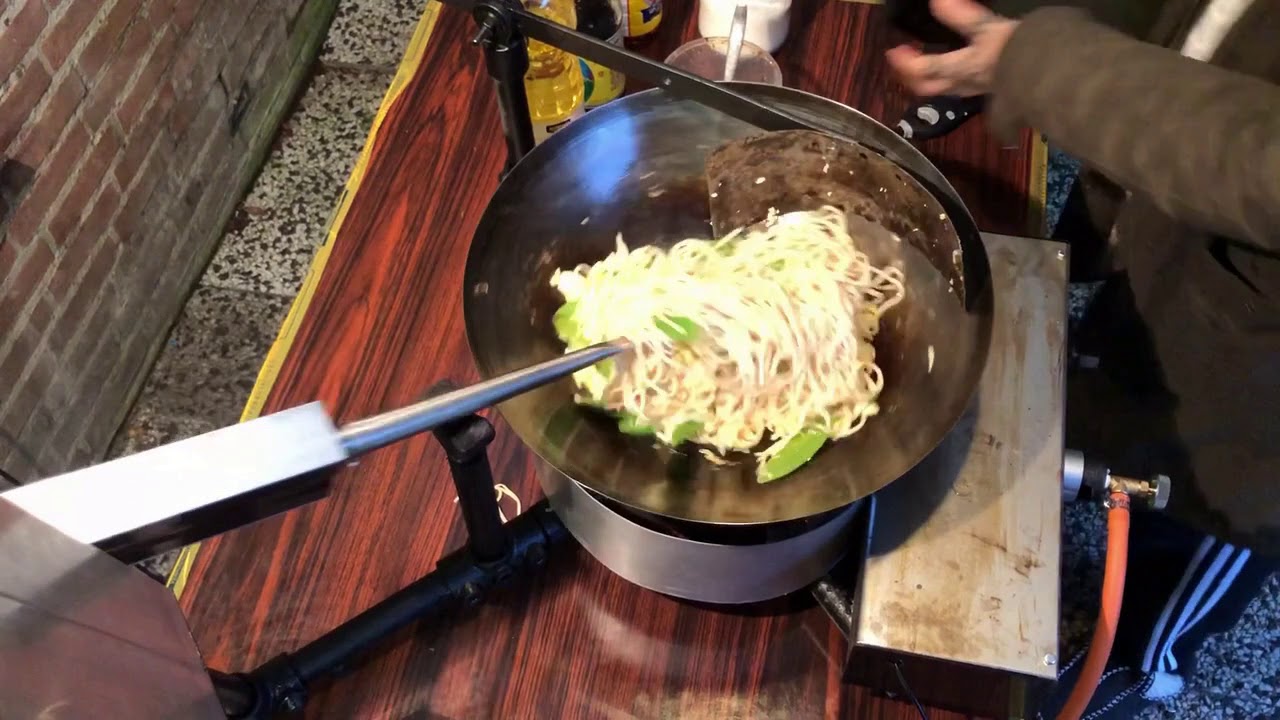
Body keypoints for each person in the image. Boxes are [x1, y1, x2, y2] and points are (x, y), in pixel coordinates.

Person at [884, 0, 1280, 717]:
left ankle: (1147, 663)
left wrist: (1041, 64)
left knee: (1196, 524)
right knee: (1127, 399)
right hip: (1173, 230)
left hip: (1258, 403)